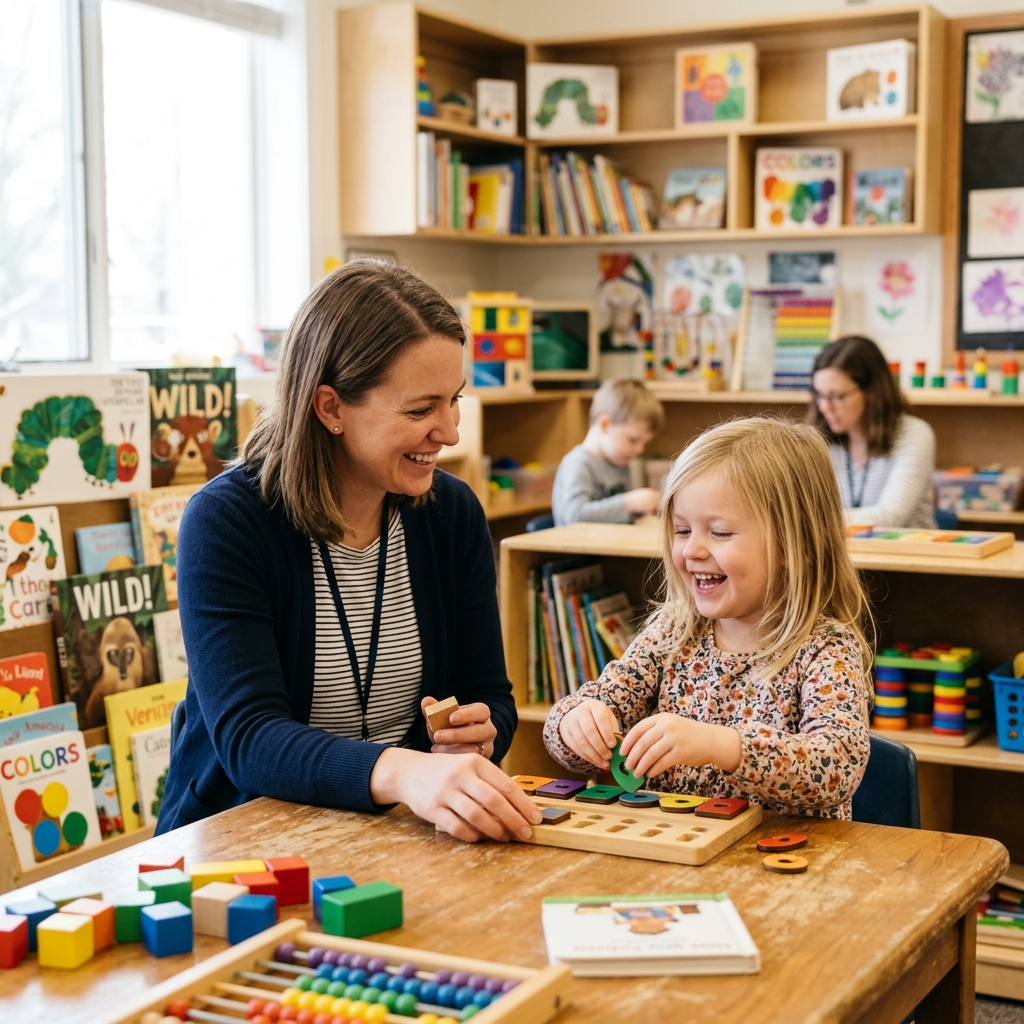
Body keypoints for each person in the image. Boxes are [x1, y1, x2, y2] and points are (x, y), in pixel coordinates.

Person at [157, 261, 541, 843]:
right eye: (420, 409)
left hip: (394, 836)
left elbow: (488, 693)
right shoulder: (227, 521)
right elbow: (250, 739)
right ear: (331, 408)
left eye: (454, 399)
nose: (450, 431)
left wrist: (480, 734)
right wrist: (404, 771)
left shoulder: (452, 513)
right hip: (241, 840)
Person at [543, 418, 872, 819]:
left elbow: (836, 766)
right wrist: (574, 723)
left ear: (794, 544)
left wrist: (719, 745)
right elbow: (588, 715)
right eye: (682, 530)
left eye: (720, 533)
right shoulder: (673, 632)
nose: (691, 551)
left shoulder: (825, 646)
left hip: (785, 853)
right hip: (678, 847)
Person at [809, 335, 936, 529]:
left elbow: (890, 517)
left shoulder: (914, 434)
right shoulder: (822, 440)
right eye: (820, 395)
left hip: (905, 547)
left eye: (836, 397)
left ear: (871, 391)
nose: (824, 407)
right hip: (848, 548)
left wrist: (809, 521)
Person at [551, 379, 664, 526]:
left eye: (644, 443)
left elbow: (622, 517)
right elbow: (574, 515)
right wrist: (630, 503)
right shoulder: (578, 463)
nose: (639, 450)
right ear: (605, 424)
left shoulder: (620, 463)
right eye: (633, 440)